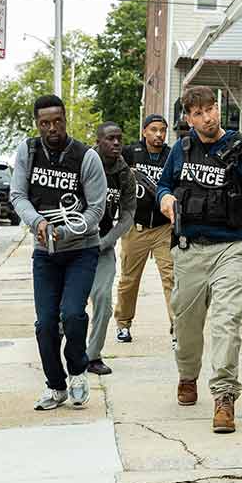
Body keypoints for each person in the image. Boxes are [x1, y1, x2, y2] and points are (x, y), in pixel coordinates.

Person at [158, 86, 242, 434]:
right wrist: (165, 198)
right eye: (198, 113)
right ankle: (187, 374)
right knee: (186, 327)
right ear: (188, 118)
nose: (207, 117)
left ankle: (224, 396)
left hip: (230, 250)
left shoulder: (241, 152)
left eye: (211, 109)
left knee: (226, 323)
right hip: (188, 250)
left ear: (218, 107)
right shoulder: (181, 150)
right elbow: (164, 185)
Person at [10, 94, 107, 411]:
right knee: (46, 324)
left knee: (73, 314)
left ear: (65, 120)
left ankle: (78, 371)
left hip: (81, 249)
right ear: (37, 124)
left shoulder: (86, 157)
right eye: (45, 123)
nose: (52, 128)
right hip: (45, 252)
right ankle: (56, 386)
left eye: (57, 121)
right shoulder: (28, 151)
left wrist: (68, 230)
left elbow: (97, 209)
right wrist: (37, 222)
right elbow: (17, 196)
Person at [114, 114, 174, 346]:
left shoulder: (171, 155)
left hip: (163, 228)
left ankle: (177, 327)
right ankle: (123, 325)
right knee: (129, 280)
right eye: (154, 130)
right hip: (135, 227)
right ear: (144, 132)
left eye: (162, 130)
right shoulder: (130, 153)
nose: (159, 135)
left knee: (172, 278)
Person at [86, 121, 138, 375]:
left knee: (104, 300)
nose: (116, 143)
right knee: (68, 309)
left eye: (119, 138)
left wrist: (107, 241)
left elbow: (128, 215)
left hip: (103, 245)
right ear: (99, 140)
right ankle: (61, 348)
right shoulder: (83, 163)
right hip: (74, 245)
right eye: (110, 138)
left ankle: (93, 356)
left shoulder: (125, 173)